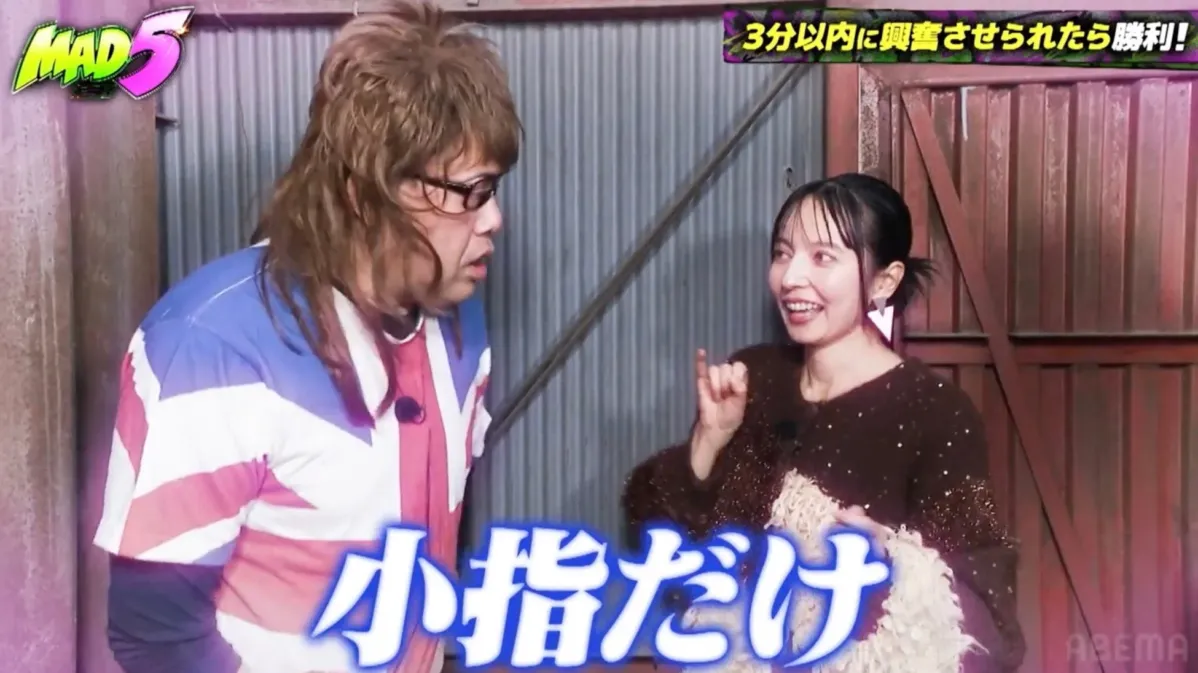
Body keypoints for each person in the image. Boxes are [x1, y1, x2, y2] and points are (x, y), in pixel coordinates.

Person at [93, 3, 520, 672]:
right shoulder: (211, 348)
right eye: (470, 192)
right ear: (365, 194)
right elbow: (155, 633)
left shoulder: (457, 320)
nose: (494, 218)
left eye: (493, 188)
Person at [622, 173, 1026, 673]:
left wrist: (893, 560)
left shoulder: (937, 412)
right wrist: (710, 439)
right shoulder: (754, 378)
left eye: (822, 257)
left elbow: (989, 610)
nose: (791, 277)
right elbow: (658, 533)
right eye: (782, 253)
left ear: (884, 281)